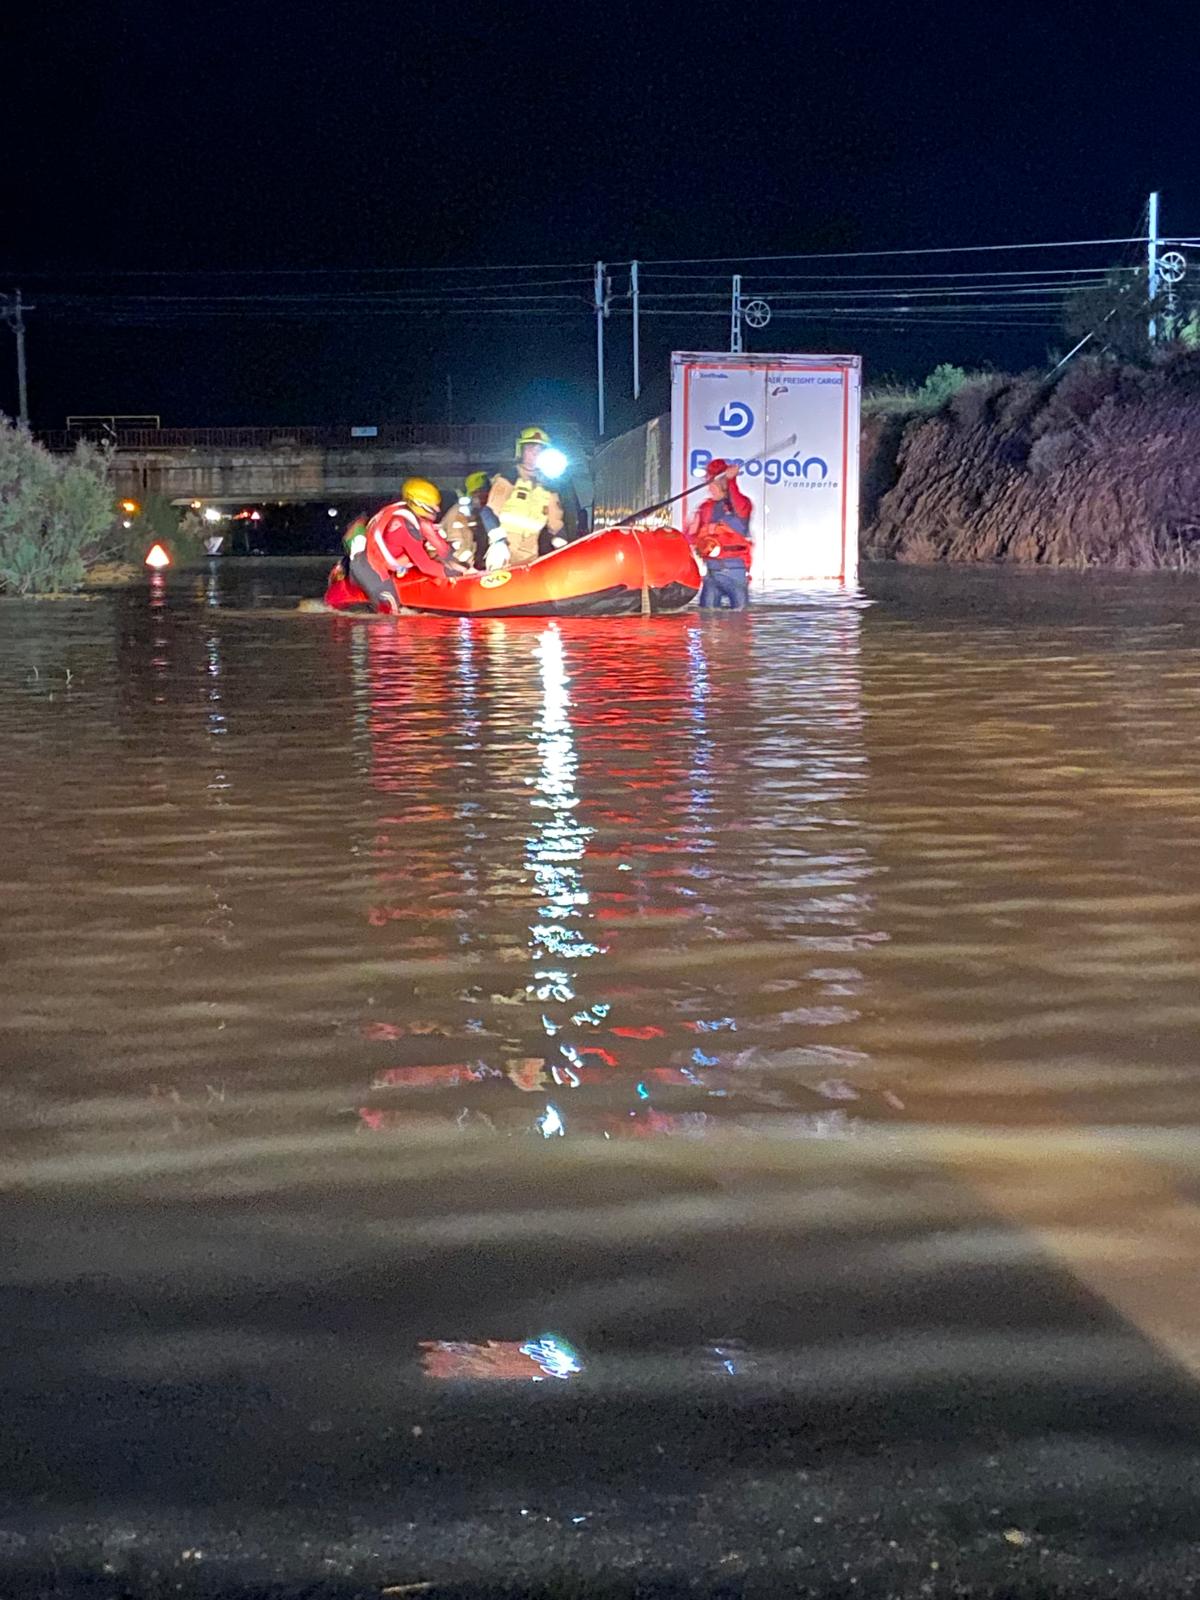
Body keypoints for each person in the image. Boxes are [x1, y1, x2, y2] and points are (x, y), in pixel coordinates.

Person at [351, 477, 468, 613]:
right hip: (370, 567)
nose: (437, 509)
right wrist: (458, 573)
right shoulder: (403, 526)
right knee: (390, 607)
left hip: (391, 564)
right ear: (417, 503)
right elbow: (425, 565)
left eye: (437, 505)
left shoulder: (413, 515)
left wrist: (461, 565)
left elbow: (441, 547)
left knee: (431, 559)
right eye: (432, 506)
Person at [481, 426, 568, 569]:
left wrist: (563, 546)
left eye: (539, 450)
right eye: (530, 448)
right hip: (504, 550)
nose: (535, 454)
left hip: (530, 554)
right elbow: (488, 512)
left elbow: (555, 523)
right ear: (520, 451)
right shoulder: (510, 476)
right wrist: (498, 542)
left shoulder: (549, 486)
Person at [686, 458, 753, 610]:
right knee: (706, 614)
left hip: (735, 573)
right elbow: (690, 537)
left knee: (739, 617)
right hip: (711, 574)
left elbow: (737, 502)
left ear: (722, 483)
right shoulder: (705, 508)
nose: (709, 488)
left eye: (712, 483)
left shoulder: (742, 504)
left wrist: (731, 480)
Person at [440, 470, 490, 570]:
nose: (484, 497)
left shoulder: (479, 512)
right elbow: (457, 547)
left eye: (486, 492)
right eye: (478, 493)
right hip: (456, 569)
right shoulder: (458, 513)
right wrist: (471, 569)